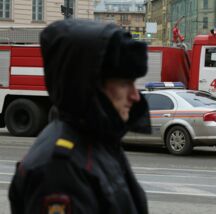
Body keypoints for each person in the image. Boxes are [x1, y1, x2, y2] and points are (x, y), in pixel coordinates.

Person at [8, 19, 151, 213]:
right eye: (124, 83)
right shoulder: (61, 170)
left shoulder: (97, 141)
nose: (135, 96)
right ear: (90, 86)